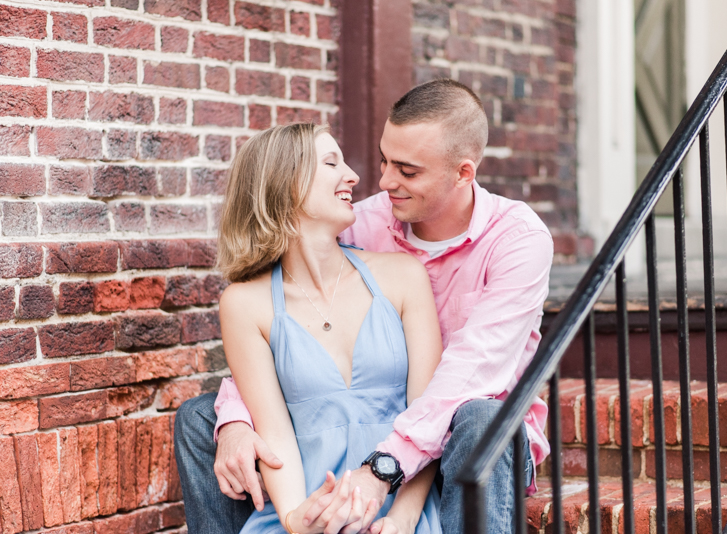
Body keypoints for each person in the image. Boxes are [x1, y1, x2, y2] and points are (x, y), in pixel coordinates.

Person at [174, 79, 553, 534]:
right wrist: (234, 419)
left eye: (407, 171)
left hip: (469, 439)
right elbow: (284, 325)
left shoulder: (516, 240)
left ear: (463, 173)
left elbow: (465, 377)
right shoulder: (360, 222)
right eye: (383, 160)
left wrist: (385, 479)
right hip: (347, 450)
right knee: (201, 417)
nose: (381, 181)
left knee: (477, 418)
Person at [205, 122, 443, 534]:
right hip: (308, 511)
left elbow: (428, 418)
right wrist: (297, 519)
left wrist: (403, 520)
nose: (352, 176)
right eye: (332, 163)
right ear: (286, 182)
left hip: (400, 509)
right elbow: (274, 434)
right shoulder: (244, 304)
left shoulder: (403, 276)